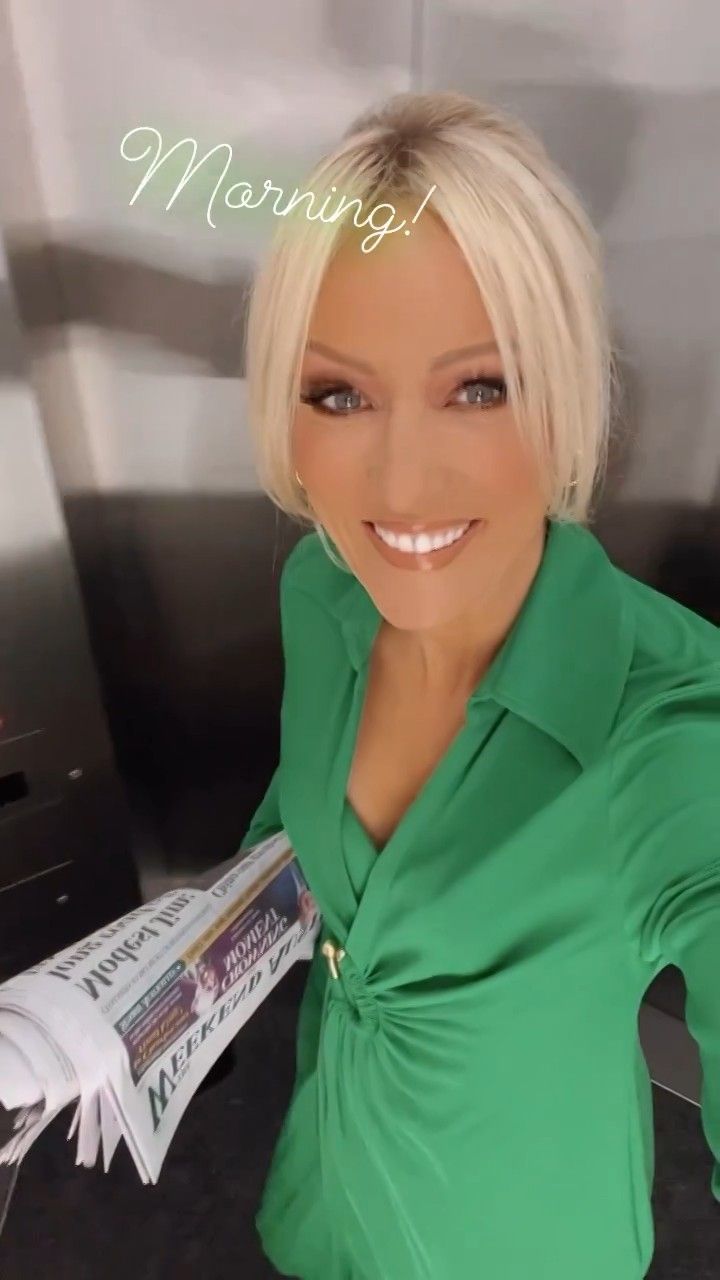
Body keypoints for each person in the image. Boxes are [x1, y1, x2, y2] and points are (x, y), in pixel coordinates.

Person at [240, 90, 720, 1280]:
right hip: (327, 1192)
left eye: (479, 387)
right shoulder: (322, 591)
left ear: (564, 393)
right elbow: (299, 809)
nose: (402, 482)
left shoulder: (665, 724)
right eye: (340, 394)